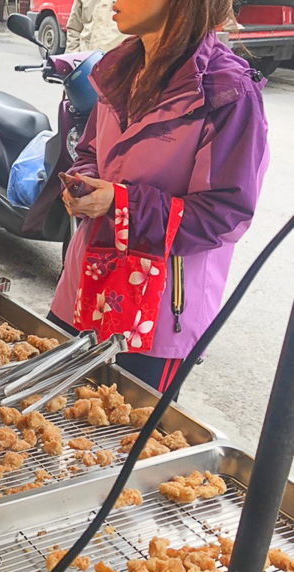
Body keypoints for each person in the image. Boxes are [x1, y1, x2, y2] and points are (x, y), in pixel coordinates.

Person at [49, 0, 268, 395]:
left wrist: (122, 204)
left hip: (160, 309)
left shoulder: (226, 92)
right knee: (46, 411)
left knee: (127, 437)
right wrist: (82, 184)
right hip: (87, 285)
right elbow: (89, 152)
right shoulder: (117, 69)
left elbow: (226, 215)